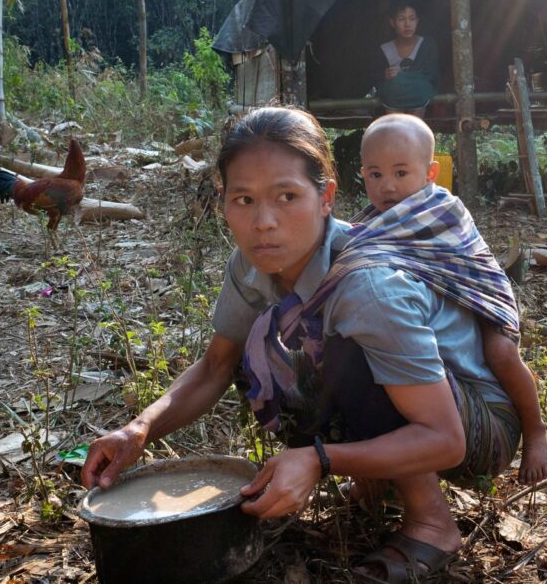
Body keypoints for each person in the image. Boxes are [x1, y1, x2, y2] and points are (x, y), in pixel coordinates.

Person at [81, 107, 521, 583]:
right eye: (243, 200)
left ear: (326, 197)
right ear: (223, 200)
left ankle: (431, 523)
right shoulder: (252, 265)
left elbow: (446, 439)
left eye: (287, 196)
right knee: (258, 360)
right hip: (426, 407)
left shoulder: (367, 286)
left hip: (477, 425)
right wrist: (139, 430)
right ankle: (381, 476)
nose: (263, 222)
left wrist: (319, 459)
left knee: (341, 353)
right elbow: (215, 369)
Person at [357, 114, 547, 483]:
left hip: (481, 299)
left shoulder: (442, 209)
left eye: (401, 173)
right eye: (375, 174)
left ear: (430, 173)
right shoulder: (371, 222)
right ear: (362, 174)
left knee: (500, 353)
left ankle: (536, 428)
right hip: (440, 315)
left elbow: (464, 262)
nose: (387, 187)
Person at [375, 2, 439, 117]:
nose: (407, 24)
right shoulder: (384, 49)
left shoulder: (427, 45)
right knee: (392, 88)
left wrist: (401, 77)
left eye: (412, 19)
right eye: (401, 19)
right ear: (393, 22)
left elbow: (431, 76)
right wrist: (385, 75)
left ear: (417, 21)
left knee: (419, 87)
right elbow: (377, 80)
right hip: (393, 98)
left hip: (419, 97)